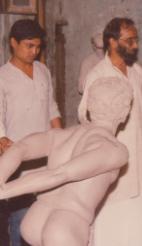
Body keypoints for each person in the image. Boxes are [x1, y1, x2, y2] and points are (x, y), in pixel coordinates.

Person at [0, 77, 133, 246]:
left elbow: (20, 148)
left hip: (34, 218)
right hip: (65, 225)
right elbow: (60, 174)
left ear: (90, 106)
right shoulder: (115, 150)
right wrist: (4, 191)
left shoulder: (62, 135)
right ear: (124, 112)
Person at [78, 17, 142, 246]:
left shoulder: (138, 72)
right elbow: (84, 116)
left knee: (135, 215)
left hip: (137, 157)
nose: (135, 45)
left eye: (136, 40)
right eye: (129, 40)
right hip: (110, 157)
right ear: (112, 42)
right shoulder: (98, 74)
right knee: (110, 215)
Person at [0, 19, 62, 245]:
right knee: (21, 218)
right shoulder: (2, 77)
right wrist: (4, 142)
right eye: (29, 46)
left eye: (38, 46)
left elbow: (52, 108)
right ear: (13, 43)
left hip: (45, 155)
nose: (34, 51)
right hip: (18, 158)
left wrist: (62, 140)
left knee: (46, 212)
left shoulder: (43, 70)